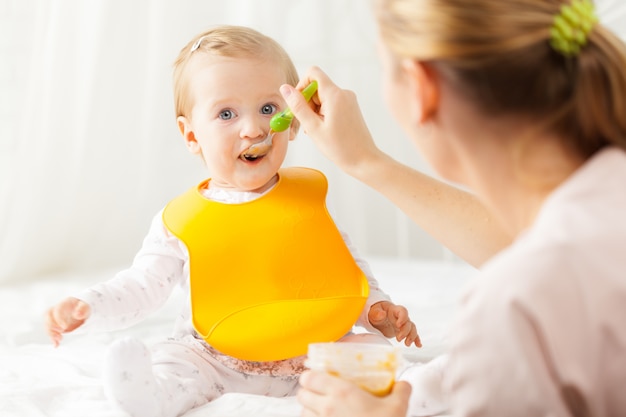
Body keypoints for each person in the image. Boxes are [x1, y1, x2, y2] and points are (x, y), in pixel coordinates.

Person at [44, 25, 421, 417]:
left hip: (310, 351)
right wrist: (90, 306)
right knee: (176, 359)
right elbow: (143, 287)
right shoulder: (181, 220)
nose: (253, 129)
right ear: (191, 135)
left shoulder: (309, 197)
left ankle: (424, 389)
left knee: (373, 355)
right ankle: (149, 396)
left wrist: (376, 309)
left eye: (269, 109)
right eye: (226, 113)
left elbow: (345, 272)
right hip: (219, 356)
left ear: (293, 120)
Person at [286, 0, 626, 416]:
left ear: (421, 88)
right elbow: (542, 249)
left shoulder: (511, 307)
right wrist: (365, 161)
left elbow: (537, 274)